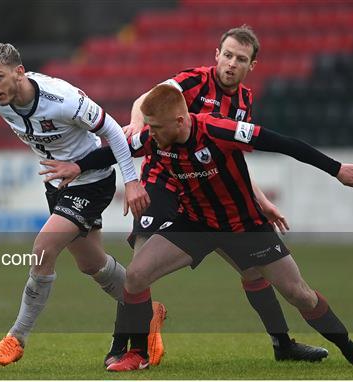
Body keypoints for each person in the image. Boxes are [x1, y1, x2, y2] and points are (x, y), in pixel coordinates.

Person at [41, 25, 328, 366]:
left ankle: (282, 343)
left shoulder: (244, 102)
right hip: (162, 181)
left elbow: (229, 158)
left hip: (205, 188)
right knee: (140, 266)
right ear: (216, 56)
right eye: (228, 55)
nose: (232, 63)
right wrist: (135, 127)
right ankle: (124, 347)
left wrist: (260, 202)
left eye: (241, 58)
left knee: (252, 269)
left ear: (252, 65)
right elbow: (144, 101)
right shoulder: (193, 81)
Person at [90, 84, 353, 371]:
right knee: (135, 275)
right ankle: (139, 354)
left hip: (245, 227)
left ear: (180, 121)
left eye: (156, 128)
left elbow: (284, 144)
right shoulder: (154, 136)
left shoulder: (219, 130)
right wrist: (75, 166)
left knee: (299, 294)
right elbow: (113, 151)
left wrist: (337, 169)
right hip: (195, 224)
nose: (151, 134)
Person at [0, 43, 151, 366]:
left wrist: (131, 181)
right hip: (56, 184)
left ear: (19, 73)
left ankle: (16, 337)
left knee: (44, 247)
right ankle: (147, 311)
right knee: (91, 264)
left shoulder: (63, 100)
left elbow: (112, 129)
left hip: (91, 181)